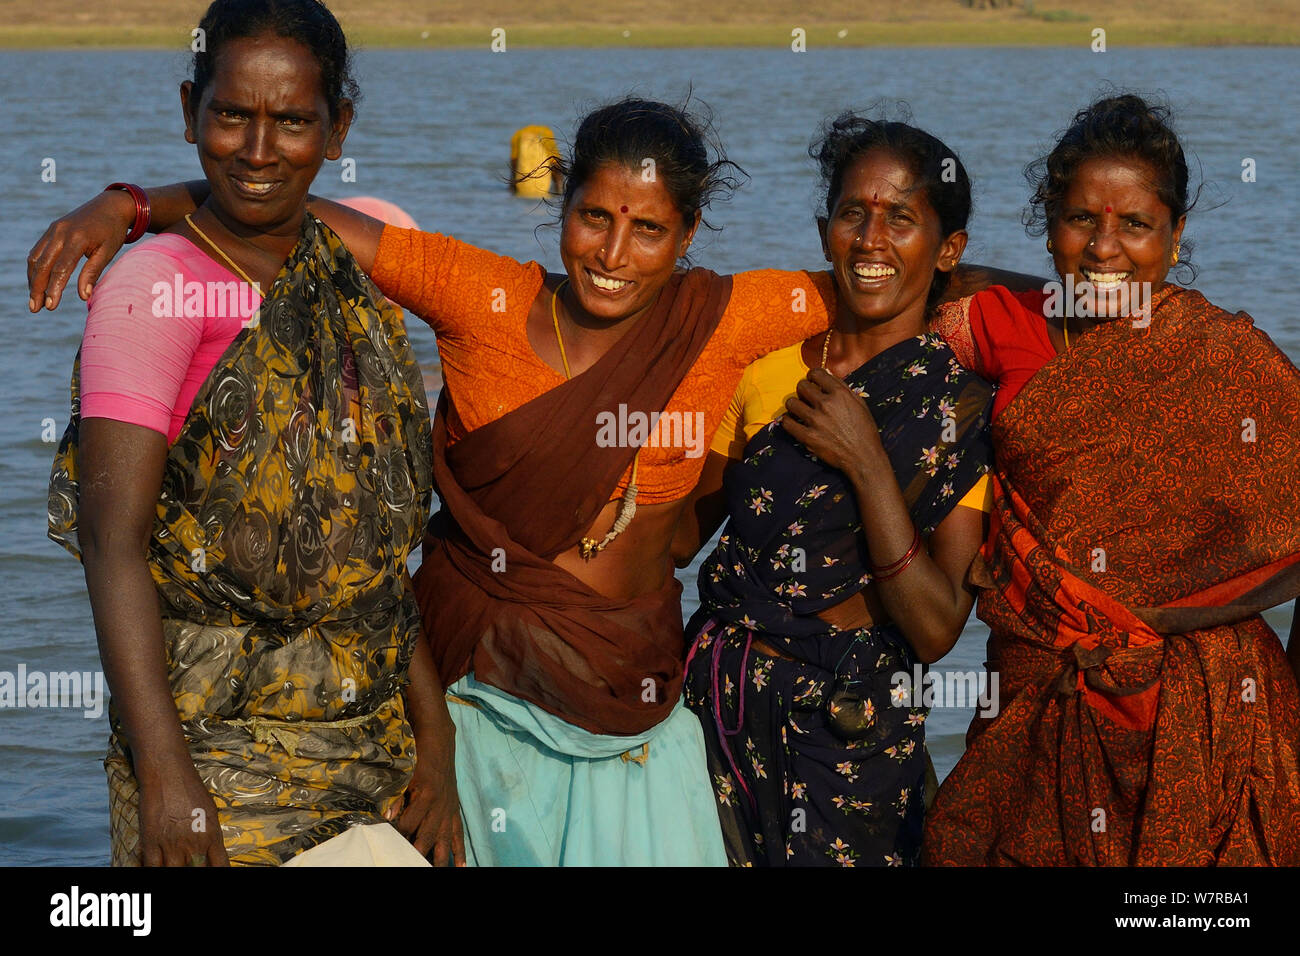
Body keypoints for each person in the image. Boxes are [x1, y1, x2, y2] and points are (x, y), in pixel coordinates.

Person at [28, 91, 1032, 864]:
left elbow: (900, 275)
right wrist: (130, 202)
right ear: (562, 207)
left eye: (648, 230)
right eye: (595, 217)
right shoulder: (483, 298)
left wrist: (1099, 300)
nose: (615, 253)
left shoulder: (727, 314)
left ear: (686, 239)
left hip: (635, 713)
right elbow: (288, 208)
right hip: (471, 705)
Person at [43, 0, 446, 866]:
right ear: (190, 108)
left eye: (293, 121)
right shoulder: (156, 289)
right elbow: (112, 545)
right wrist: (166, 777)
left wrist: (437, 740)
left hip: (377, 747)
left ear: (337, 128)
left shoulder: (361, 256)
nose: (259, 152)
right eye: (231, 115)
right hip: (214, 758)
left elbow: (372, 550)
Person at [922, 94, 1300, 865]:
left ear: (1176, 233)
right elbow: (891, 298)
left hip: (1206, 701)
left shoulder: (1222, 356)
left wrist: (1176, 617)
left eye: (1135, 225)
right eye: (1079, 221)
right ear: (1049, 222)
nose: (1104, 249)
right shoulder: (1004, 323)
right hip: (1040, 692)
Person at [671, 115, 993, 866]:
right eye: (854, 213)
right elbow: (680, 539)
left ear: (949, 250)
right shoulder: (768, 370)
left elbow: (937, 628)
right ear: (825, 232)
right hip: (719, 708)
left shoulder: (960, 409)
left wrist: (867, 461)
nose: (871, 240)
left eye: (902, 218)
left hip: (853, 729)